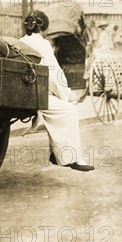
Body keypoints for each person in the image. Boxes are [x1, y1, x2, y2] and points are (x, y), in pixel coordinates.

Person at [20, 10, 94, 172]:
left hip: (21, 92)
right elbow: (54, 74)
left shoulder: (20, 41)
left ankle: (55, 153)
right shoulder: (43, 44)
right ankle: (72, 158)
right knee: (69, 110)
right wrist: (67, 95)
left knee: (58, 110)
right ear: (43, 28)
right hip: (36, 95)